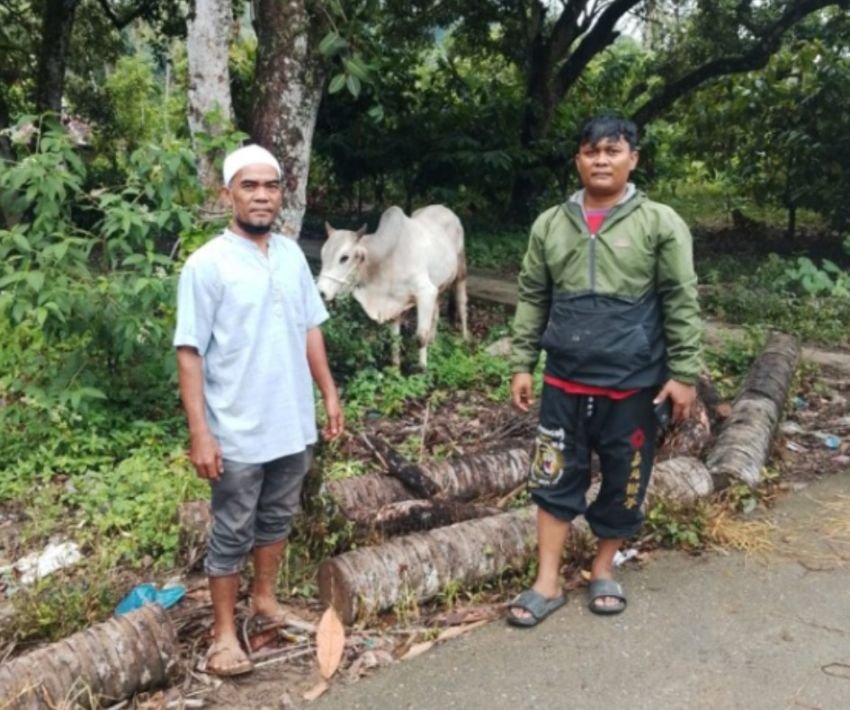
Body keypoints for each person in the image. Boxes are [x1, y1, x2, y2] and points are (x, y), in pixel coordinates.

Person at [507, 115, 700, 626]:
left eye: (612, 151)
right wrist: (522, 362)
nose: (601, 160)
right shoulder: (550, 224)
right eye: (591, 151)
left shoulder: (659, 223)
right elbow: (532, 296)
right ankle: (546, 582)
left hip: (633, 384)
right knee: (553, 478)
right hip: (563, 381)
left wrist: (684, 373)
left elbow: (681, 298)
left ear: (632, 159)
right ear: (578, 160)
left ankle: (602, 567)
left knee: (624, 480)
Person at [174, 144, 344, 675]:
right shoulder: (206, 265)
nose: (262, 196)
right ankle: (225, 635)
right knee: (232, 528)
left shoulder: (292, 255)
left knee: (277, 518)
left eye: (271, 186)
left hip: (291, 422)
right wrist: (201, 432)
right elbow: (189, 353)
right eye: (250, 186)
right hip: (237, 429)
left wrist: (329, 393)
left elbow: (308, 328)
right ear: (229, 194)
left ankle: (265, 600)